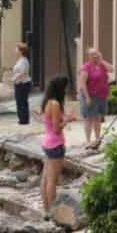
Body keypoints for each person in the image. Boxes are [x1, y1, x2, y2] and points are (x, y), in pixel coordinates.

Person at [39, 75, 70, 215]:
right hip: (55, 144)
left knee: (45, 179)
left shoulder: (47, 102)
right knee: (52, 180)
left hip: (46, 142)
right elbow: (57, 128)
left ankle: (46, 210)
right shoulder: (56, 104)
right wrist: (68, 120)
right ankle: (52, 211)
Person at [77, 48, 112, 150]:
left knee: (98, 118)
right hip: (90, 95)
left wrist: (102, 60)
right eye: (92, 54)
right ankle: (88, 141)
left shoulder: (102, 65)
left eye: (96, 54)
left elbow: (111, 69)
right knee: (89, 118)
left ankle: (97, 139)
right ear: (89, 56)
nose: (95, 56)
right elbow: (82, 84)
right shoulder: (86, 67)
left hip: (101, 96)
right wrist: (87, 97)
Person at [12, 43, 32, 125]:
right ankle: (22, 119)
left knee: (22, 101)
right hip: (19, 84)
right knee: (20, 101)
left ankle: (23, 119)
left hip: (23, 84)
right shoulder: (20, 60)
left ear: (21, 51)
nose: (15, 50)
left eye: (16, 49)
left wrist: (14, 78)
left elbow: (22, 72)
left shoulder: (24, 60)